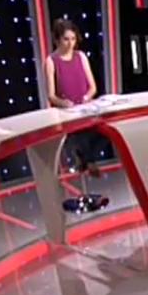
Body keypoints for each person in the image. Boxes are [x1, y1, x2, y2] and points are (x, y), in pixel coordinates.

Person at [44, 18, 105, 177]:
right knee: (79, 133)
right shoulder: (51, 61)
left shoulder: (81, 56)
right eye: (66, 39)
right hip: (67, 112)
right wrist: (64, 103)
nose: (70, 43)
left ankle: (83, 159)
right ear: (57, 39)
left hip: (85, 108)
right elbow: (51, 95)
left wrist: (87, 97)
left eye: (73, 39)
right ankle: (89, 162)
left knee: (104, 130)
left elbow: (93, 87)